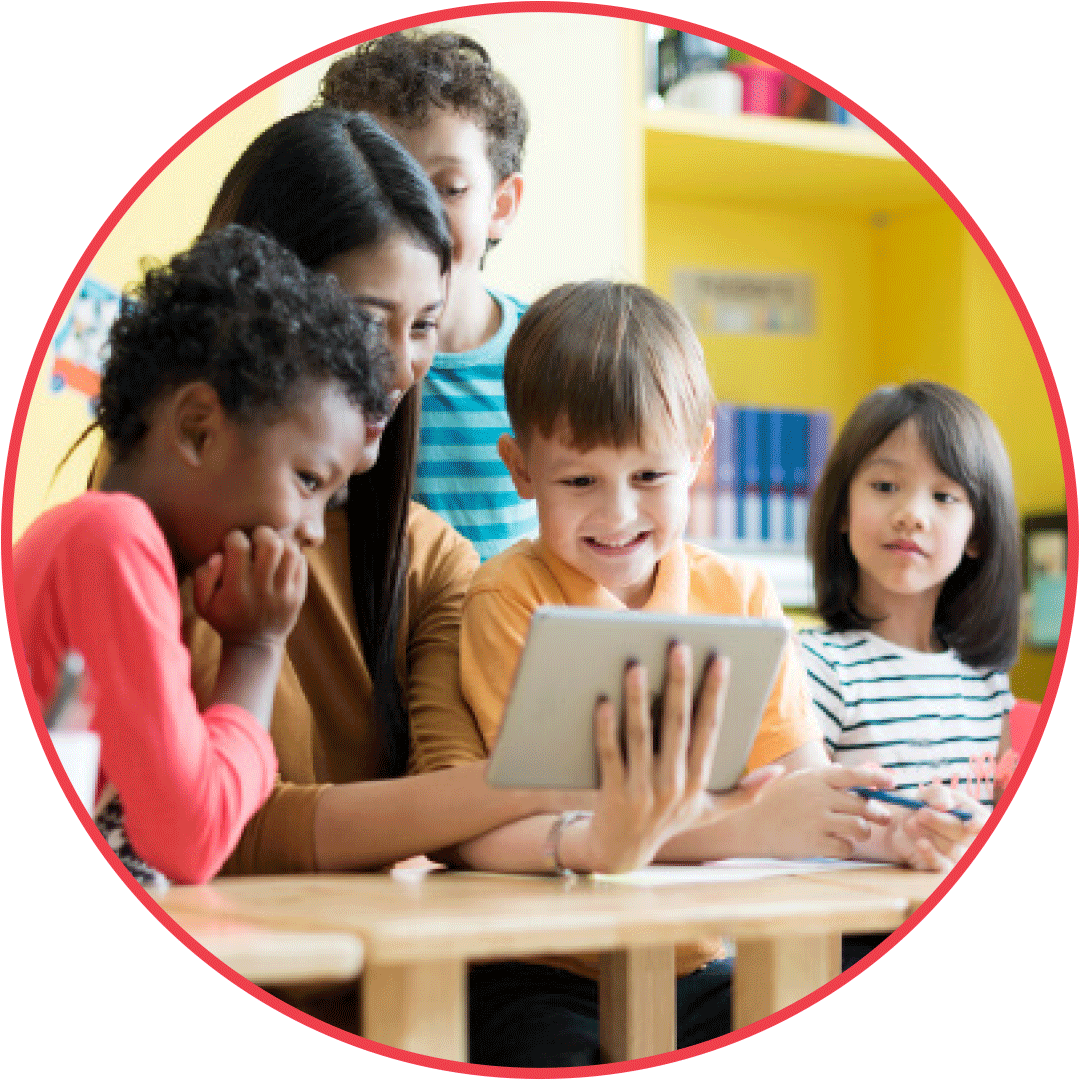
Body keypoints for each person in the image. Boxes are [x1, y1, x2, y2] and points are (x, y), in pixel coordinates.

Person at [180, 109, 723, 891]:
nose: (400, 370)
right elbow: (228, 823)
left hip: (401, 978)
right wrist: (553, 787)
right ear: (256, 310)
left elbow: (456, 799)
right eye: (365, 325)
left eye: (425, 326)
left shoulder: (428, 556)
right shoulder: (160, 526)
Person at [431, 281, 896, 1067]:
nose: (616, 515)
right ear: (519, 468)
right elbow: (516, 820)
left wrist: (889, 822)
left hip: (696, 961)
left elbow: (801, 789)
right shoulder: (508, 597)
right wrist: (745, 825)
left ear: (699, 455)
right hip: (541, 965)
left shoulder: (743, 596)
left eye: (649, 478)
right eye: (579, 482)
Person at [15, 224, 391, 886]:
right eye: (307, 481)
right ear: (197, 429)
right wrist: (256, 649)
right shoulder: (113, 538)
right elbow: (190, 838)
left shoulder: (110, 544)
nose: (311, 531)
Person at [800, 380, 1022, 968]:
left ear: (977, 534)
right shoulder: (814, 667)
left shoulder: (986, 683)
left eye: (945, 496)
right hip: (842, 946)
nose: (910, 515)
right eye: (884, 485)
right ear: (842, 512)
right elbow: (793, 824)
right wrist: (897, 839)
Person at [319, 30, 539, 560]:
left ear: (501, 204)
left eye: (449, 187)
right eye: (383, 180)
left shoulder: (551, 356)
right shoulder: (322, 360)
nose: (416, 216)